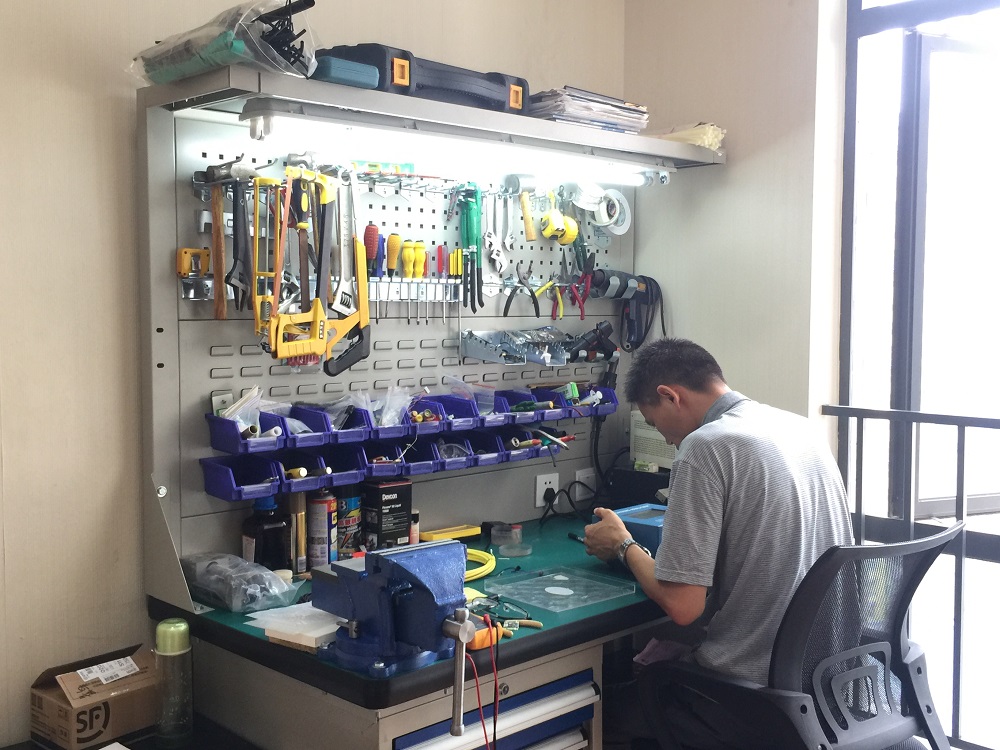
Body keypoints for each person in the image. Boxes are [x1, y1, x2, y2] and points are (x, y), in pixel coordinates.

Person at [584, 338, 853, 749]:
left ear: (670, 396)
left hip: (748, 700)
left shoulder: (705, 446)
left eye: (654, 424)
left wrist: (623, 545)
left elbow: (683, 606)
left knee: (597, 715)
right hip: (828, 689)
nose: (666, 440)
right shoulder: (799, 428)